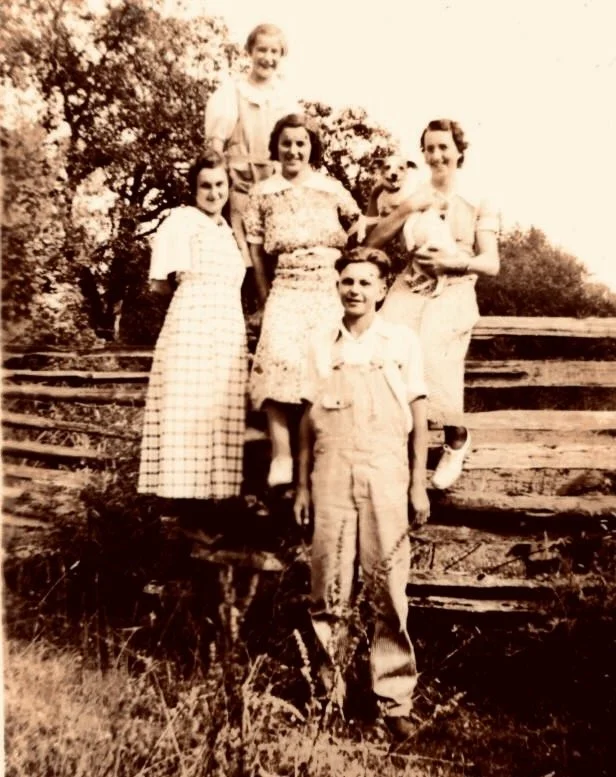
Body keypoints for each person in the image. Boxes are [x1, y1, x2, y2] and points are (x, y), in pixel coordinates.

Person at [293, 246, 430, 740]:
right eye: (347, 281)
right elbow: (306, 422)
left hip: (385, 468)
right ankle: (327, 696)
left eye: (365, 282)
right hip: (331, 469)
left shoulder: (401, 341)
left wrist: (417, 482)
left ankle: (394, 702)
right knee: (329, 584)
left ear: (381, 289)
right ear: (338, 286)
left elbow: (419, 418)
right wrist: (302, 486)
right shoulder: (320, 343)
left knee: (387, 586)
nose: (355, 290)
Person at [366, 118, 500, 490]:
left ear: (459, 152)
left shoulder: (478, 199)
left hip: (455, 284)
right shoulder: (412, 192)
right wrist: (408, 207)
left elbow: (491, 262)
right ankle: (395, 442)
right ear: (422, 154)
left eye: (444, 147)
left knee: (433, 345)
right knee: (384, 338)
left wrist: (452, 263)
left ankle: (456, 438)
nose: (437, 155)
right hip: (412, 282)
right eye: (430, 148)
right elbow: (372, 241)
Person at [243, 112, 361, 488]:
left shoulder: (331, 188)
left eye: (301, 143)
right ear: (275, 147)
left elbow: (358, 226)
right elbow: (257, 254)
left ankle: (315, 454)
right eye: (286, 143)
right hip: (286, 284)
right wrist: (264, 300)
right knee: (275, 357)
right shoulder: (262, 193)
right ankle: (282, 454)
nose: (293, 150)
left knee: (321, 366)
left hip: (327, 285)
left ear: (312, 147)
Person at [138, 151, 248, 515]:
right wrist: (194, 301)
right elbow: (158, 284)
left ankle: (215, 513)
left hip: (228, 326)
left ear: (229, 186)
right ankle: (184, 513)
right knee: (188, 411)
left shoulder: (229, 229)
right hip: (193, 324)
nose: (214, 193)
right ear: (193, 189)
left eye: (220, 185)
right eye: (205, 186)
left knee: (220, 411)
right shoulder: (181, 221)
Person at [204, 23, 300, 269]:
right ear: (250, 51)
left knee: (276, 252)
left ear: (281, 55)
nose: (268, 58)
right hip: (241, 182)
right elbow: (216, 145)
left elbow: (296, 143)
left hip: (276, 183)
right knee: (242, 252)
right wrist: (219, 180)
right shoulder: (232, 92)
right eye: (262, 50)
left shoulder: (285, 97)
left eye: (274, 51)